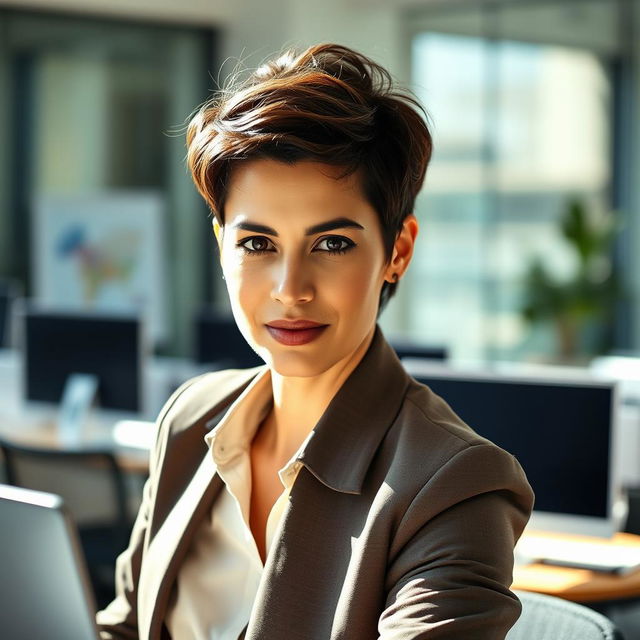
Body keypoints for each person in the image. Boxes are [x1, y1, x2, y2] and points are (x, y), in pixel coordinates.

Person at [97, 43, 533, 640]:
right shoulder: (190, 419)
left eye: (331, 243)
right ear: (221, 245)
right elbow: (122, 626)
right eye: (257, 244)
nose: (290, 289)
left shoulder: (454, 484)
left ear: (397, 251)